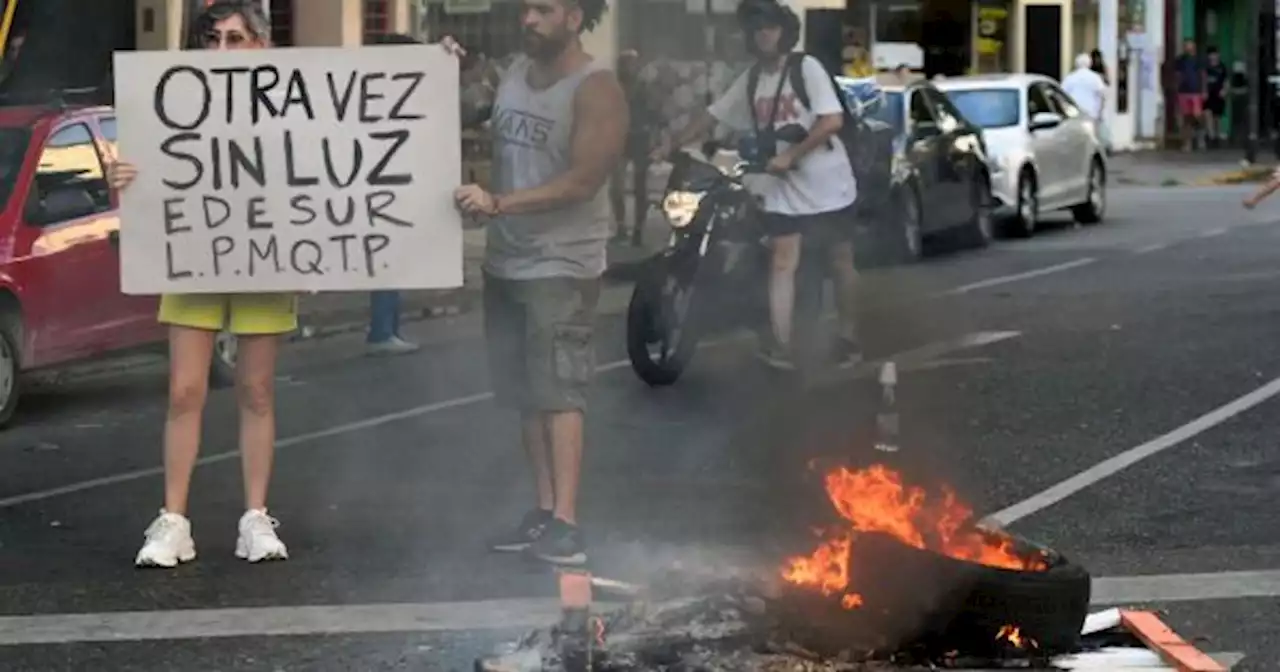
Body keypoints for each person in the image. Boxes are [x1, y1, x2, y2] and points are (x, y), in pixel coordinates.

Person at [110, 2, 461, 568]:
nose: (223, 50)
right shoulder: (171, 104)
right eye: (214, 39)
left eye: (235, 38)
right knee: (183, 391)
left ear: (262, 47)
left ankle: (255, 516)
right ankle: (173, 521)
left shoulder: (292, 102)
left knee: (256, 390)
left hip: (263, 258)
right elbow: (150, 185)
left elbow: (358, 126)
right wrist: (122, 179)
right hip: (193, 255)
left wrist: (433, 71)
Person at [454, 0, 626, 566]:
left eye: (543, 10)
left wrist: (500, 203)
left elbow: (582, 181)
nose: (528, 19)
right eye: (525, 9)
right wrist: (441, 72)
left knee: (558, 390)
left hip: (563, 263)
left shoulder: (596, 89)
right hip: (506, 260)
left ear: (575, 18)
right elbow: (458, 111)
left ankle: (568, 525)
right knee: (525, 394)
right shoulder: (511, 74)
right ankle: (545, 511)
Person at [652, 0, 861, 370]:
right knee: (783, 260)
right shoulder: (751, 79)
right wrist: (674, 143)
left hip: (828, 184)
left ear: (784, 31)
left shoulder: (805, 68)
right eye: (756, 28)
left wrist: (793, 155)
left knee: (840, 259)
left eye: (770, 27)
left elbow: (831, 121)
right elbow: (712, 116)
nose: (763, 34)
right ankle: (782, 345)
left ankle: (848, 337)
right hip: (779, 185)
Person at [364, 32, 428, 357]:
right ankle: (383, 329)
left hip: (389, 188)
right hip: (381, 192)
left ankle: (387, 328)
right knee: (388, 258)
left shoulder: (391, 98)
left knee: (390, 258)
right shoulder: (381, 100)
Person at [609, 49, 656, 246]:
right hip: (620, 138)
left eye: (632, 63)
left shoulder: (643, 87)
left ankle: (638, 230)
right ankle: (621, 227)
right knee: (617, 187)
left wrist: (654, 138)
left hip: (639, 138)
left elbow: (654, 114)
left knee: (639, 187)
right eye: (625, 63)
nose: (628, 67)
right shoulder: (613, 87)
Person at [1062, 53, 1107, 147]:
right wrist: (1100, 112)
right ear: (1090, 64)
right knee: (1091, 142)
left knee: (1074, 140)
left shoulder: (1070, 78)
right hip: (1091, 113)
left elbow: (1062, 96)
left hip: (1074, 114)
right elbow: (1102, 95)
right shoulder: (1095, 77)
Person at [1174, 39, 1205, 151]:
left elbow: (1203, 75)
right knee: (1185, 117)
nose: (1188, 47)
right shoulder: (1180, 60)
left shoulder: (1198, 60)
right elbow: (1177, 75)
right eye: (1186, 45)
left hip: (1195, 91)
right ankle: (1187, 143)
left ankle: (1200, 136)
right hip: (1183, 91)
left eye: (1190, 45)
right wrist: (1177, 89)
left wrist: (1204, 90)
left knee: (1197, 115)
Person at [1204, 47, 1228, 147]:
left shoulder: (1222, 67)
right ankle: (1211, 135)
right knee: (1207, 113)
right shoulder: (1205, 67)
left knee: (1217, 116)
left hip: (1218, 93)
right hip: (1208, 93)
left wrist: (1225, 90)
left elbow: (1226, 80)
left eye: (1215, 54)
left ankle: (1217, 135)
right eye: (1211, 54)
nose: (1213, 56)